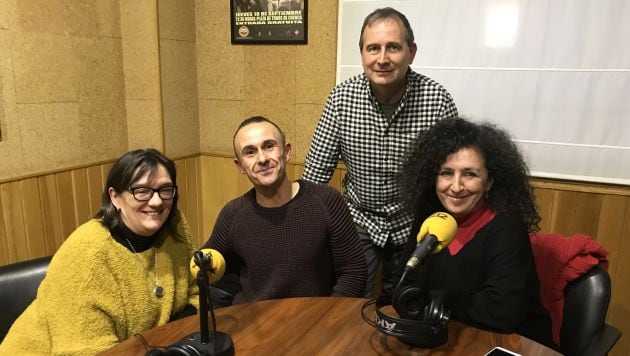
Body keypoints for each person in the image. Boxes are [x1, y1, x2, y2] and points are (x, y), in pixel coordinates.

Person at [302, 7, 458, 298]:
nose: (382, 59)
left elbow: (452, 175)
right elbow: (315, 175)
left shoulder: (437, 100)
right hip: (359, 218)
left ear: (411, 52)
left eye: (393, 48)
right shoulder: (341, 99)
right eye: (373, 48)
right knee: (347, 301)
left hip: (414, 222)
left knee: (405, 301)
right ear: (362, 54)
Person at [0, 149, 199, 354]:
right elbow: (82, 350)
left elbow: (195, 292)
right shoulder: (87, 253)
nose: (157, 201)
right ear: (115, 197)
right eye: (141, 191)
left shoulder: (175, 228)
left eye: (165, 190)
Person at [394, 117, 553, 346]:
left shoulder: (506, 224)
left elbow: (502, 311)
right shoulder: (430, 217)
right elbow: (404, 283)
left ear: (489, 181)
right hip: (446, 336)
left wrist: (433, 300)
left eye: (470, 174)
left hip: (513, 342)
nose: (456, 187)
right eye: (446, 173)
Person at [202, 116, 367, 305]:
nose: (262, 159)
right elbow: (203, 265)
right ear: (240, 165)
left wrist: (328, 319)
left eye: (269, 146)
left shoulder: (326, 201)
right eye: (250, 152)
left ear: (287, 152)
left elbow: (353, 270)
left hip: (315, 321)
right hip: (255, 324)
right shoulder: (233, 215)